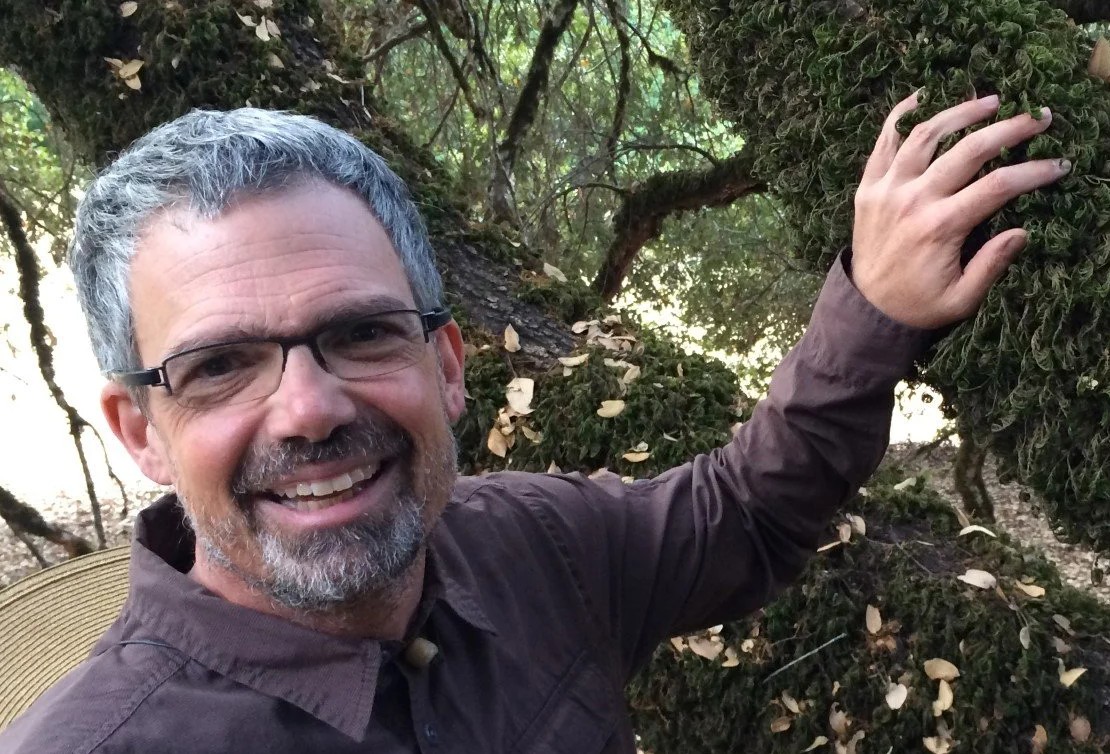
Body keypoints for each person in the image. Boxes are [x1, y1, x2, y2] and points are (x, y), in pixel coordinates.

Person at [0, 92, 1065, 753]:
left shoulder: (533, 548)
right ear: (139, 430)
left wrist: (875, 308)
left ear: (447, 368)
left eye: (362, 333)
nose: (311, 408)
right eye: (221, 366)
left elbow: (743, 515)